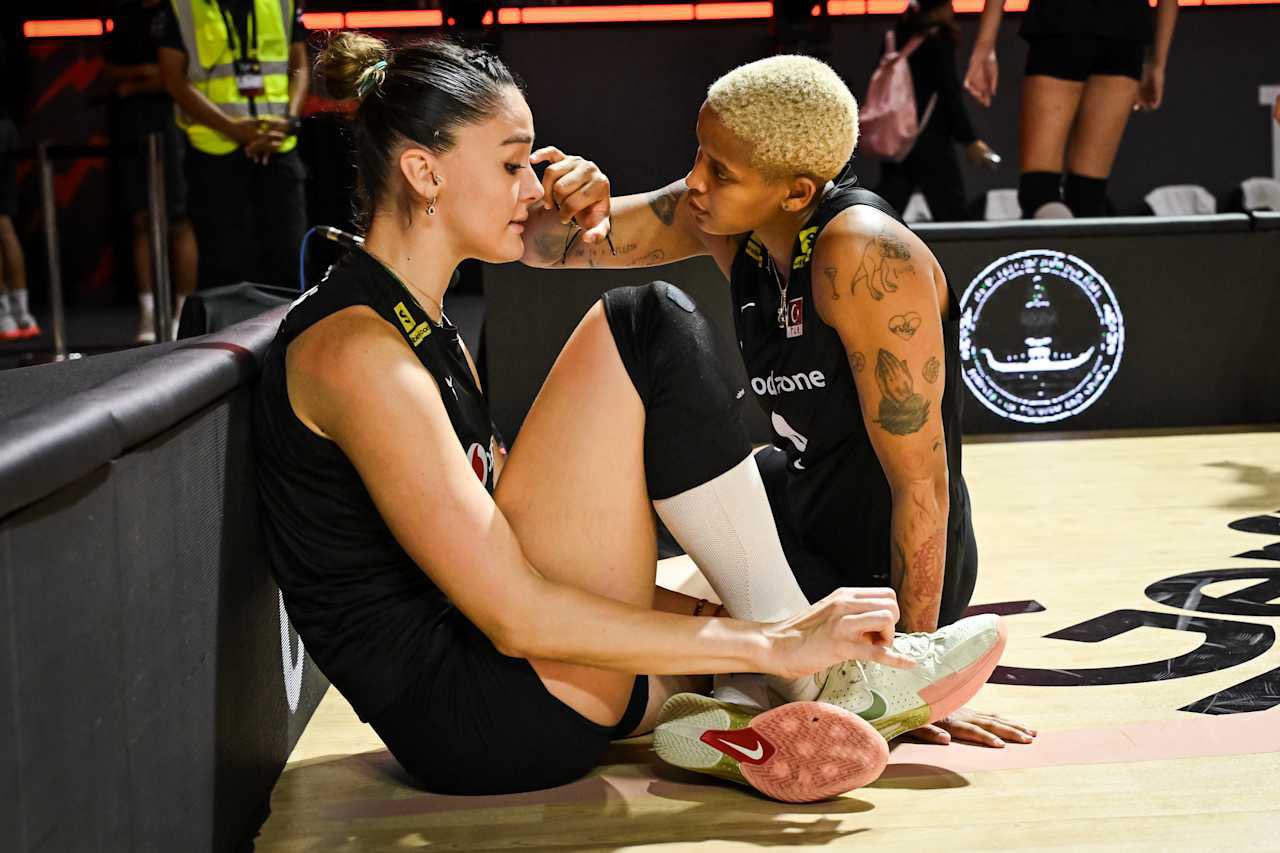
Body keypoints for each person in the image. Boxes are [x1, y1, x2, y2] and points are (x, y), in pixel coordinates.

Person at [254, 34, 1010, 802]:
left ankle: (739, 716)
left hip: (505, 684)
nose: (533, 185)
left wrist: (751, 631)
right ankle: (810, 681)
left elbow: (509, 561)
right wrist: (775, 640)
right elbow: (515, 613)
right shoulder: (360, 353)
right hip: (479, 715)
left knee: (726, 649)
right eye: (513, 165)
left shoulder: (419, 323)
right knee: (650, 323)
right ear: (425, 172)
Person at [523, 54, 1037, 751]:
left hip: (878, 576)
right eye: (699, 155)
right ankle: (750, 700)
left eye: (720, 172)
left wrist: (914, 670)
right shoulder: (724, 219)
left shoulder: (861, 252)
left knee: (642, 643)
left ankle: (790, 693)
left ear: (796, 192)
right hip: (798, 523)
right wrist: (564, 198)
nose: (695, 182)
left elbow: (923, 484)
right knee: (728, 494)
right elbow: (547, 246)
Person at [963, 0, 1179, 218]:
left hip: (1062, 21)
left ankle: (1056, 233)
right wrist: (1158, 64)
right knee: (1087, 195)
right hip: (1125, 29)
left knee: (1039, 190)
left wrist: (985, 44)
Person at [157, 0, 309, 291]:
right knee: (224, 264)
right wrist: (233, 128)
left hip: (278, 145)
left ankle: (287, 322)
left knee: (289, 258)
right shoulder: (182, 6)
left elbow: (300, 65)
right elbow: (173, 79)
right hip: (214, 149)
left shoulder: (282, 3)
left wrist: (289, 120)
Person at [106, 0, 198, 343]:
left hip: (177, 126)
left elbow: (182, 74)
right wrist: (145, 74)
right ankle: (148, 310)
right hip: (136, 128)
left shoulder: (181, 10)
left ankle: (183, 312)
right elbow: (110, 70)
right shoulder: (126, 14)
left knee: (180, 221)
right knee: (141, 220)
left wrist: (139, 83)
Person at [873, 0, 998, 222]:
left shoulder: (895, 37)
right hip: (931, 136)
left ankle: (856, 241)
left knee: (885, 211)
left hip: (897, 136)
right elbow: (949, 92)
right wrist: (969, 139)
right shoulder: (938, 40)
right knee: (952, 214)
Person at [0, 29, 37, 341]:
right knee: (5, 222)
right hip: (8, 125)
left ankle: (6, 312)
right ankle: (20, 311)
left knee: (2, 223)